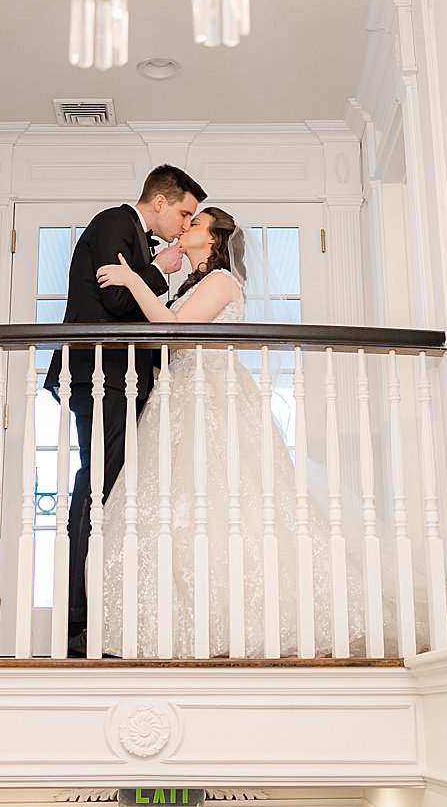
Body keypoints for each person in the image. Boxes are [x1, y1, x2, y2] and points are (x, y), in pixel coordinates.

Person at [94, 207, 414, 659]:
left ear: (216, 240)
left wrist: (133, 281)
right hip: (182, 394)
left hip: (212, 393)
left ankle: (240, 624)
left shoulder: (222, 280)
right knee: (179, 509)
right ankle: (189, 624)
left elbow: (175, 329)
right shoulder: (193, 284)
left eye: (197, 224)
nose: (185, 227)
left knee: (227, 505)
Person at [43, 164, 206, 658]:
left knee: (112, 492)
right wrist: (159, 272)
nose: (184, 224)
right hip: (100, 377)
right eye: (183, 213)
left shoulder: (144, 243)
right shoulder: (113, 222)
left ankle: (100, 613)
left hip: (124, 382)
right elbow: (115, 298)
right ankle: (76, 620)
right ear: (159, 202)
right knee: (98, 489)